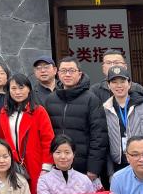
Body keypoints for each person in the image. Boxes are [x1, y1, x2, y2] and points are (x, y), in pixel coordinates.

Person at [42, 56, 107, 185]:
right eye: (63, 71)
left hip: (83, 168)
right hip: (56, 166)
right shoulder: (50, 100)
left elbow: (99, 136)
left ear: (79, 74)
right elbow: (45, 135)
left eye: (71, 70)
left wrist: (93, 168)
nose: (67, 74)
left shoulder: (91, 99)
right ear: (57, 73)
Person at [0, 74, 54, 194]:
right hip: (12, 165)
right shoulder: (4, 112)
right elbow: (1, 141)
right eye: (13, 88)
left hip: (35, 163)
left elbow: (48, 141)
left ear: (29, 89)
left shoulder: (38, 111)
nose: (17, 92)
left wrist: (46, 167)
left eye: (21, 87)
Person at [103, 65, 143, 174]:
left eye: (122, 81)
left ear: (129, 84)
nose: (119, 86)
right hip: (119, 165)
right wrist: (110, 172)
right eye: (114, 82)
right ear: (108, 85)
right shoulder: (106, 109)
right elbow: (105, 143)